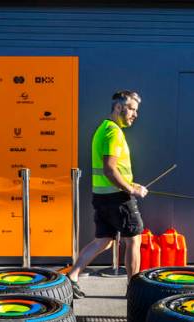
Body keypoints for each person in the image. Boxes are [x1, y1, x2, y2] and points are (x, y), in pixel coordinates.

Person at [66, 90, 148, 299]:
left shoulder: (102, 129)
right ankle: (134, 289)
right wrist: (131, 189)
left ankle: (72, 277)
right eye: (131, 109)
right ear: (119, 107)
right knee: (134, 240)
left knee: (103, 240)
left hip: (102, 196)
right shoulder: (114, 132)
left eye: (136, 110)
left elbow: (114, 170)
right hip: (118, 198)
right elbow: (110, 169)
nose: (135, 114)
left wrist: (130, 183)